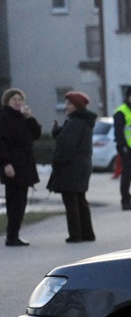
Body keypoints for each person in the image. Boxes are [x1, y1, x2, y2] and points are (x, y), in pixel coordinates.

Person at [49, 91, 96, 243]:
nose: (66, 106)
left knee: (71, 201)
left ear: (77, 106)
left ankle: (76, 235)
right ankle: (87, 233)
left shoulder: (75, 123)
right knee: (80, 199)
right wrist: (59, 133)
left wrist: (57, 161)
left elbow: (68, 146)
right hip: (81, 166)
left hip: (72, 167)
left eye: (69, 104)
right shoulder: (81, 121)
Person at [0, 87, 42, 246]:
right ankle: (11, 236)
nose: (17, 102)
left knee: (21, 201)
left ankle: (14, 234)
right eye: (14, 100)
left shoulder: (22, 118)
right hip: (12, 165)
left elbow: (36, 134)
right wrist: (5, 163)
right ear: (7, 102)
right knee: (14, 202)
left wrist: (29, 118)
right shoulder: (3, 117)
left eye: (20, 99)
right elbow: (1, 143)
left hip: (25, 165)